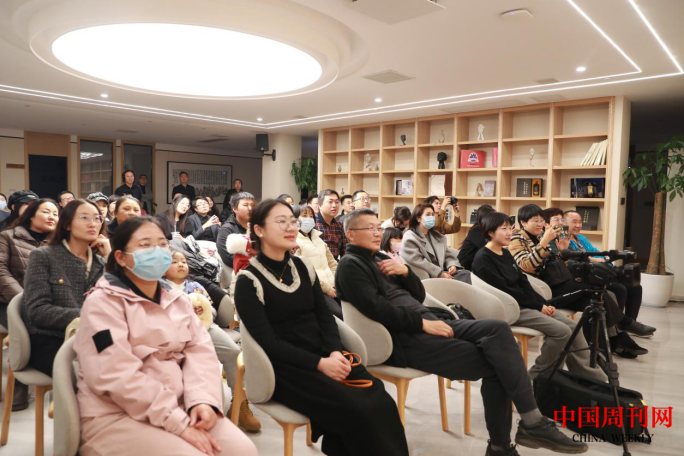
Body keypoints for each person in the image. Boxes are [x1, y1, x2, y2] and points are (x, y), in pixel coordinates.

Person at [336, 208, 587, 455]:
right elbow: (376, 309)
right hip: (405, 338)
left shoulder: (381, 259)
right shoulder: (351, 265)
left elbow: (419, 295)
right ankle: (511, 439)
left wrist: (406, 272)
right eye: (369, 228)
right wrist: (422, 324)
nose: (377, 233)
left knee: (498, 329)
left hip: (430, 320)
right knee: (499, 365)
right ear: (351, 234)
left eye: (378, 227)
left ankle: (526, 428)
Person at [233, 200, 409, 456]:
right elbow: (268, 343)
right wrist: (320, 364)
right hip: (288, 367)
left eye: (292, 221)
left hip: (326, 353)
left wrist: (335, 351)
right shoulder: (248, 281)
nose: (291, 227)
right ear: (259, 230)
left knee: (381, 400)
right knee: (357, 410)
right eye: (281, 222)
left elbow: (324, 315)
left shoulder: (303, 267)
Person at [74, 217, 257, 456]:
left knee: (243, 450)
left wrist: (202, 401)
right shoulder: (102, 303)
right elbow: (115, 374)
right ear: (120, 257)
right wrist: (177, 422)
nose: (157, 251)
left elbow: (200, 352)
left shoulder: (176, 298)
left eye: (162, 244)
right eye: (145, 245)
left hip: (182, 405)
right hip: (117, 413)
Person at [472, 211, 606, 381]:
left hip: (524, 304)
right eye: (503, 229)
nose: (509, 233)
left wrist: (543, 303)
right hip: (509, 309)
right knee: (562, 332)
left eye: (510, 228)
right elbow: (506, 291)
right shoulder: (483, 259)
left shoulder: (505, 253)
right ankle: (537, 376)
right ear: (490, 232)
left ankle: (590, 377)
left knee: (573, 327)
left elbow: (522, 282)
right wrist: (538, 306)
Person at [163, 250, 260, 431]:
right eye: (174, 262)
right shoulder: (160, 289)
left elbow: (212, 310)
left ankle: (239, 404)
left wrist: (204, 311)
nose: (181, 264)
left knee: (233, 352)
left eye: (183, 261)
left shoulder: (195, 285)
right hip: (175, 333)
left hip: (204, 328)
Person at [22, 199, 110, 377]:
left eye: (97, 218)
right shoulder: (43, 256)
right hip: (51, 339)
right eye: (84, 218)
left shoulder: (101, 263)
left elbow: (116, 305)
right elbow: (37, 311)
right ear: (67, 224)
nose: (93, 223)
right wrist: (86, 316)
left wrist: (110, 255)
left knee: (128, 363)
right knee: (98, 373)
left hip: (94, 335)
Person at [552, 210, 654, 338]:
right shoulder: (562, 239)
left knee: (635, 287)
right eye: (574, 222)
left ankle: (629, 323)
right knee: (619, 288)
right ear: (564, 223)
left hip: (597, 269)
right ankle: (617, 325)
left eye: (580, 222)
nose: (578, 225)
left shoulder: (581, 238)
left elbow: (594, 251)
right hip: (586, 275)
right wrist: (594, 260)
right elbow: (574, 260)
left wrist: (602, 260)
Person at [0, 197, 59, 410]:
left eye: (56, 213)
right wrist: (25, 299)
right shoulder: (8, 236)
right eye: (46, 212)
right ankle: (20, 380)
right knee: (26, 325)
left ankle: (60, 374)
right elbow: (1, 271)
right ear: (31, 215)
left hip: (45, 301)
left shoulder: (58, 243)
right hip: (10, 301)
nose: (52, 216)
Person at [293, 205, 342, 318]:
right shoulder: (294, 242)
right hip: (315, 289)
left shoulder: (318, 239)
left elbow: (332, 263)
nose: (308, 219)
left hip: (333, 286)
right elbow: (303, 272)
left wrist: (335, 282)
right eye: (304, 215)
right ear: (295, 219)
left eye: (311, 216)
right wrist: (326, 288)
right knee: (337, 314)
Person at [401, 204, 470, 282]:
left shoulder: (436, 235)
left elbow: (447, 254)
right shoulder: (410, 237)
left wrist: (452, 265)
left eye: (432, 214)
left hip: (443, 271)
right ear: (418, 218)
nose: (431, 217)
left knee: (466, 274)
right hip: (430, 275)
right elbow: (418, 260)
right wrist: (439, 273)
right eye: (428, 214)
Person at [217, 192, 254, 268]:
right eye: (245, 205)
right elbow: (228, 258)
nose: (250, 208)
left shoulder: (257, 226)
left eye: (252, 205)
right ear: (234, 209)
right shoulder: (227, 229)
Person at [457, 204, 495, 270]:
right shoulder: (476, 230)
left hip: (474, 264)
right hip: (464, 265)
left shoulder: (486, 229)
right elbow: (486, 246)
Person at [314, 189, 346, 260]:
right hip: (317, 262)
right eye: (330, 202)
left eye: (337, 202)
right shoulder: (313, 222)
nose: (334, 205)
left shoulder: (339, 225)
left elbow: (344, 250)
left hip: (335, 263)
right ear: (320, 205)